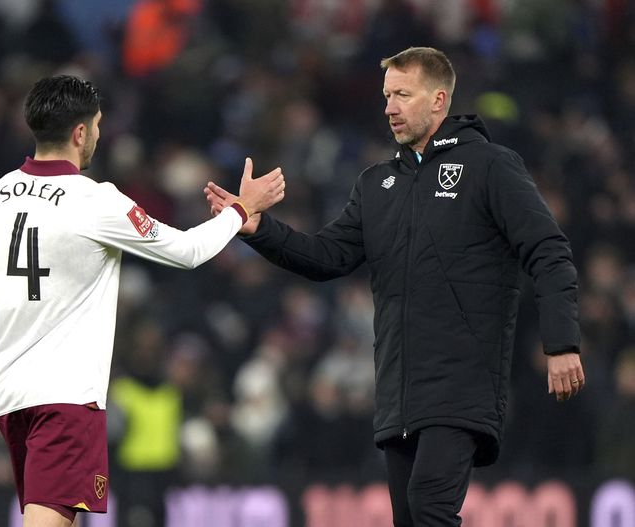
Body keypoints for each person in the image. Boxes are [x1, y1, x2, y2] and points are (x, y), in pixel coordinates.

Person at [204, 46, 585, 526]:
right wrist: (258, 229)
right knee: (412, 518)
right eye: (387, 95)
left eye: (403, 94)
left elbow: (548, 250)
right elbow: (327, 256)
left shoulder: (490, 166)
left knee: (430, 507)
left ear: (439, 100)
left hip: (462, 385)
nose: (389, 107)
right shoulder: (376, 184)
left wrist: (562, 342)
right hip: (397, 392)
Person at [0, 74, 285, 527]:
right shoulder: (96, 201)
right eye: (96, 124)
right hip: (66, 399)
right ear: (80, 133)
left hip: (10, 397)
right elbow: (187, 251)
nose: (98, 133)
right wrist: (241, 210)